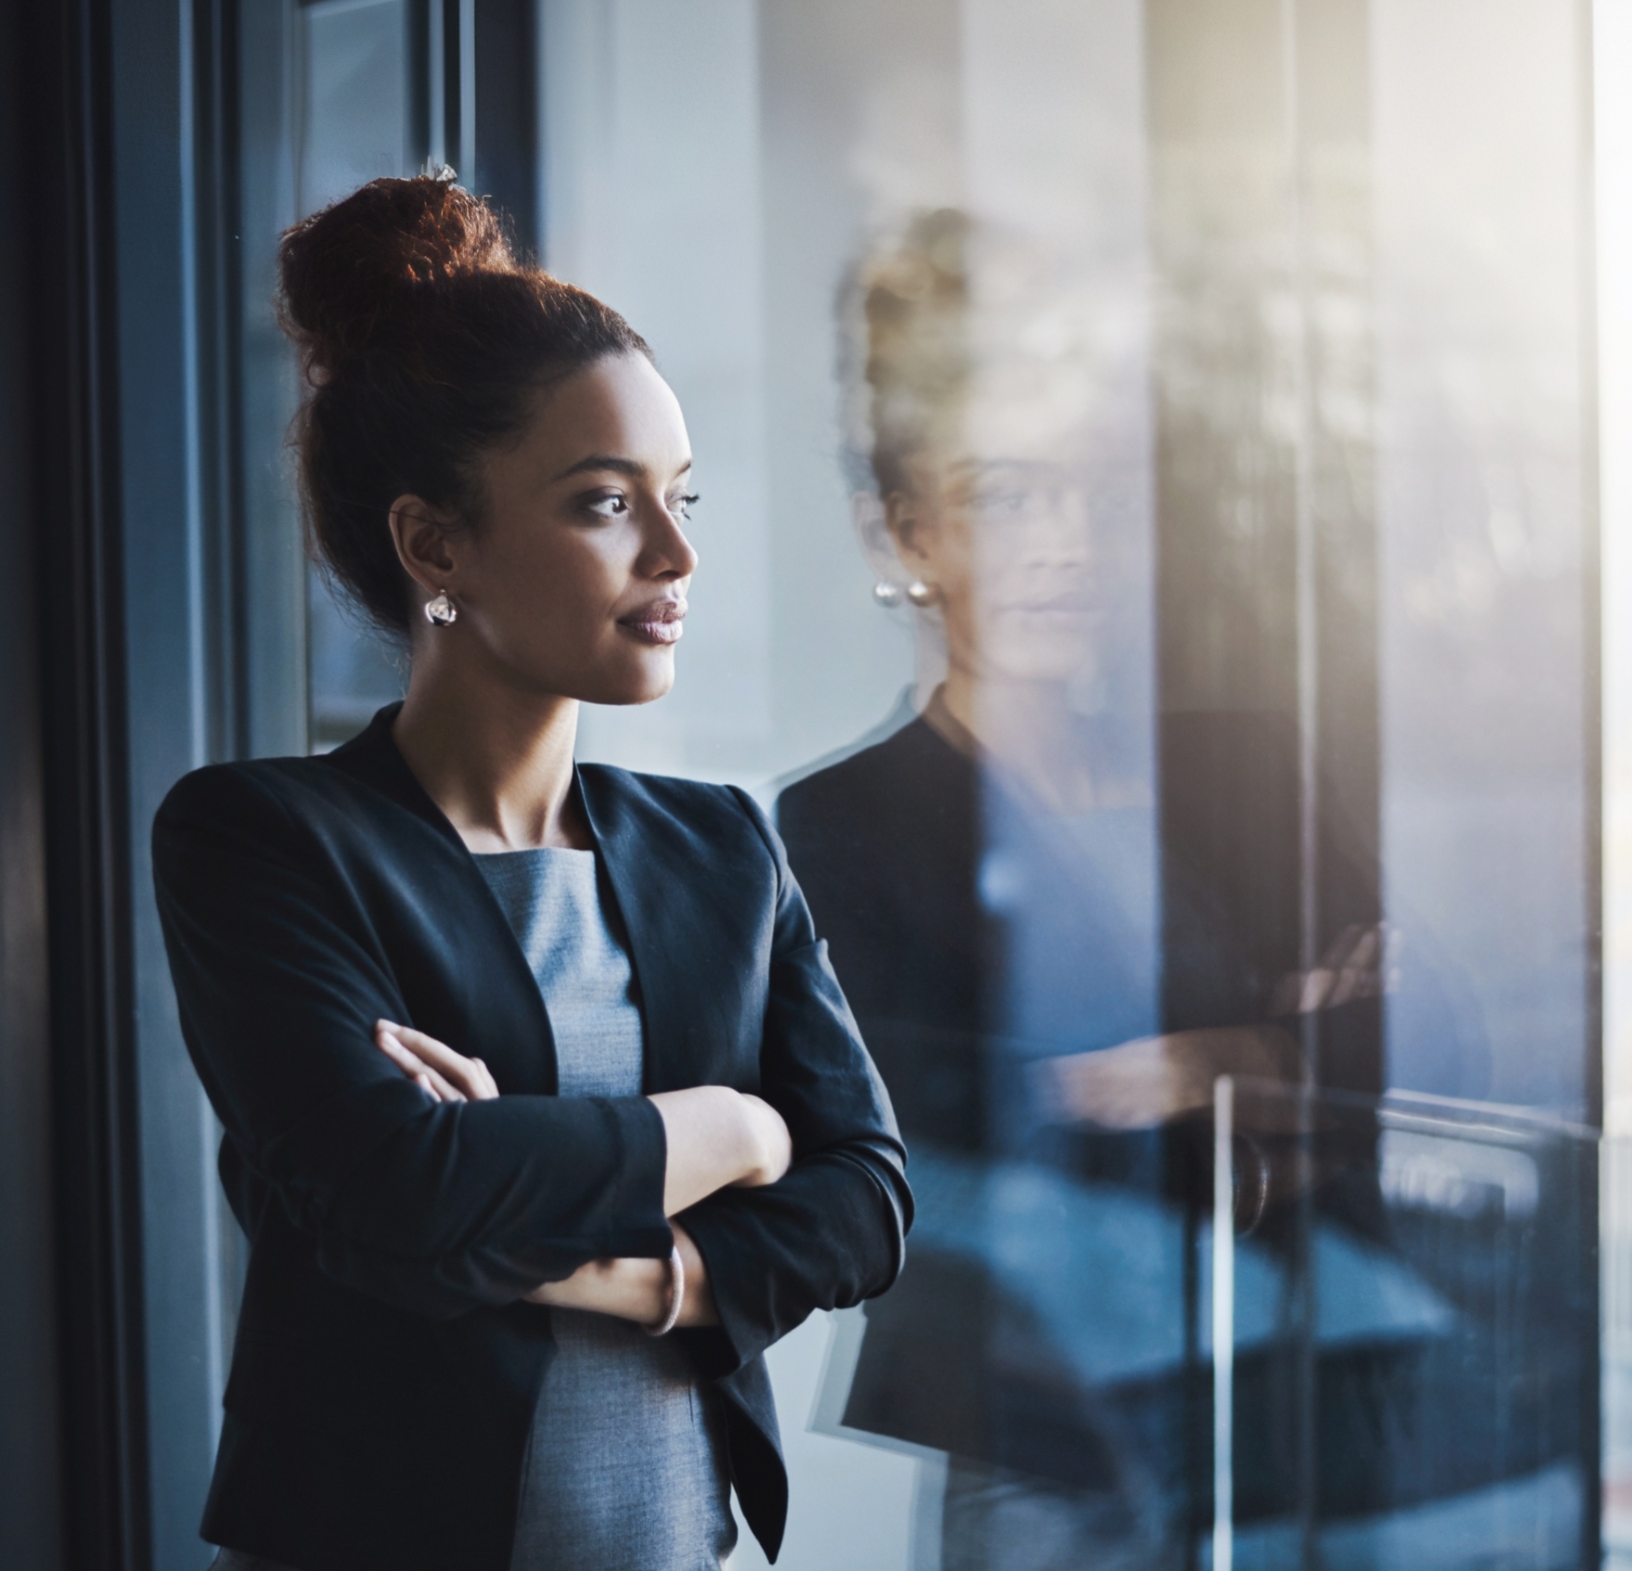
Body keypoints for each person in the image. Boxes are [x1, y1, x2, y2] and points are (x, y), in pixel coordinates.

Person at [152, 174, 910, 1571]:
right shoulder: (262, 838)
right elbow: (395, 1191)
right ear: (436, 545)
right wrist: (734, 1132)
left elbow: (864, 1197)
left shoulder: (722, 847)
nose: (677, 554)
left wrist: (623, 1266)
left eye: (680, 497)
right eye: (605, 504)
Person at [776, 211, 1489, 1570]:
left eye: (1095, 496)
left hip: (1308, 1388)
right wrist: (1290, 1073)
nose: (1065, 545)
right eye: (1003, 496)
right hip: (1048, 1434)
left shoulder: (1238, 763)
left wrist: (1205, 1063)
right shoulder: (842, 823)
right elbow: (940, 1138)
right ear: (907, 532)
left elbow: (1434, 1031)